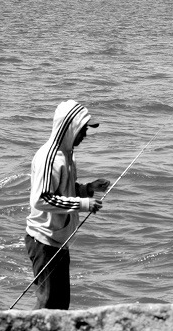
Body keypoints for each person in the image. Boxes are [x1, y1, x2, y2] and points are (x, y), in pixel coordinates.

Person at [25, 99, 110, 309]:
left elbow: (64, 191)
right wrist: (83, 204)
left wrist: (88, 189)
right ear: (70, 127)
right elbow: (42, 199)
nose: (85, 135)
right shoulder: (49, 157)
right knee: (48, 304)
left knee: (60, 304)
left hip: (59, 240)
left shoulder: (67, 156)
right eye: (82, 130)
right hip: (44, 242)